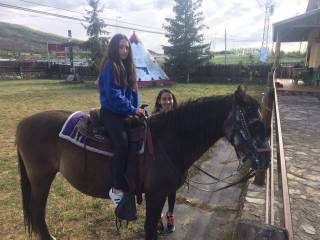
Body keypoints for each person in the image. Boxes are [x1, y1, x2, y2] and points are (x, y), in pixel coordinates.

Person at [99, 33, 145, 207]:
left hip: (125, 112)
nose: (124, 50)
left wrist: (137, 109)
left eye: (127, 47)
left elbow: (134, 91)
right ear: (114, 48)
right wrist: (133, 110)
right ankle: (117, 188)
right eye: (121, 47)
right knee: (122, 143)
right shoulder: (110, 66)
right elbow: (113, 96)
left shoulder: (128, 66)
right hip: (111, 113)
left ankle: (133, 177)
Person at [153, 89, 178, 234]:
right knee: (158, 191)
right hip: (158, 161)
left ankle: (170, 214)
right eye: (164, 99)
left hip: (173, 160)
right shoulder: (155, 118)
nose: (167, 102)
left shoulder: (178, 118)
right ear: (159, 102)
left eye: (170, 99)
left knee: (172, 189)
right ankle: (158, 216)